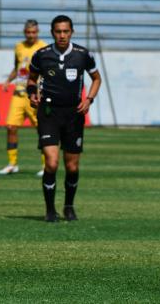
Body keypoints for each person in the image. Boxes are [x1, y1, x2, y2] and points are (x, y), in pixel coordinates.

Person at [28, 15, 101, 222]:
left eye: (66, 31)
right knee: (51, 163)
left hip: (73, 115)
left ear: (72, 32)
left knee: (72, 166)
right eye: (58, 31)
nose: (62, 35)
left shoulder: (82, 55)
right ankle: (50, 210)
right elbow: (31, 78)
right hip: (49, 113)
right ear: (52, 33)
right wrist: (32, 93)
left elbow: (96, 78)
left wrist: (89, 99)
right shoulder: (41, 55)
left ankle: (69, 206)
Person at [0, 19, 47, 176]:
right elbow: (17, 66)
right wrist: (8, 81)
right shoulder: (19, 46)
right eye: (28, 32)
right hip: (18, 93)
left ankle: (47, 166)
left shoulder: (44, 47)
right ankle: (12, 164)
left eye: (33, 32)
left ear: (37, 32)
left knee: (43, 130)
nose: (31, 35)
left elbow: (47, 70)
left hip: (35, 95)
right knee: (11, 127)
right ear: (25, 32)